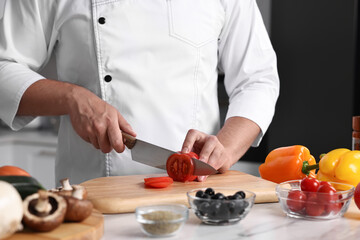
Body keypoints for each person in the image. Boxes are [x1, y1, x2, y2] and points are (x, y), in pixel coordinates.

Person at [0, 0, 279, 185]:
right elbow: (4, 68)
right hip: (93, 204)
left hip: (196, 200)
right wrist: (73, 98)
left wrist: (224, 148)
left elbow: (257, 77)